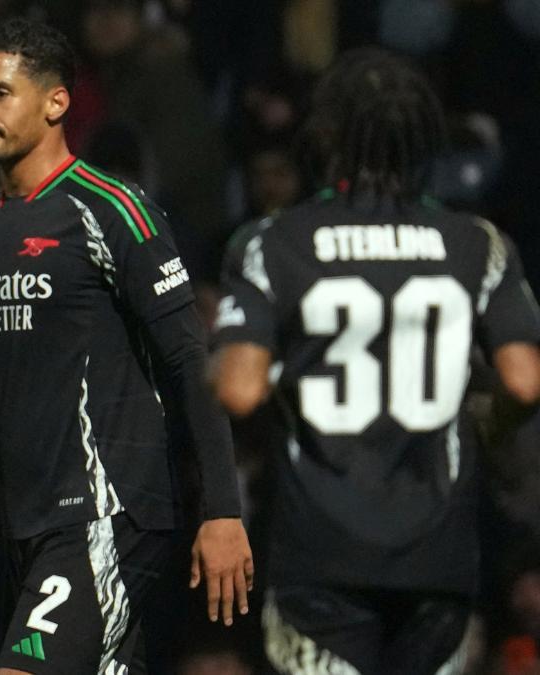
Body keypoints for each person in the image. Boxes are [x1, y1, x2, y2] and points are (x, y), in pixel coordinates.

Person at [0, 18, 252, 674]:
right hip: (29, 516)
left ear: (56, 101)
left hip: (106, 505)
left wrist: (222, 511)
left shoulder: (113, 209)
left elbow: (189, 359)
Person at [211, 48, 540, 674]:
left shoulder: (274, 242)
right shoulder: (478, 244)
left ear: (326, 134)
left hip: (321, 554)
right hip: (437, 558)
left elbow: (239, 389)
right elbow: (525, 381)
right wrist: (483, 422)